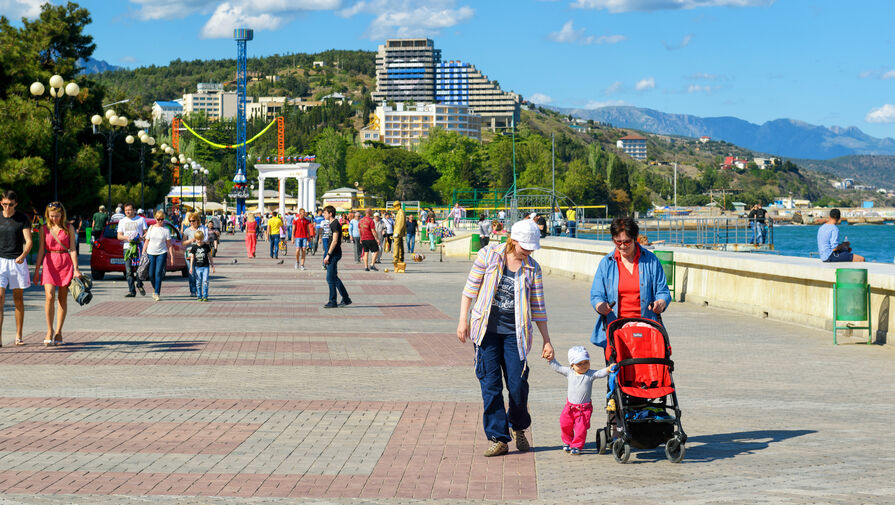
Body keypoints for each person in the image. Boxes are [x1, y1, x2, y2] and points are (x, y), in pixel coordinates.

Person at [457, 219, 554, 457]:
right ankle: (499, 438)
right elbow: (470, 290)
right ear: (513, 240)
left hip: (516, 335)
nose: (529, 251)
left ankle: (519, 426)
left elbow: (538, 306)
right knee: (490, 386)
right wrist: (463, 320)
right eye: (525, 247)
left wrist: (547, 340)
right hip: (486, 333)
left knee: (518, 385)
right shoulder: (488, 255)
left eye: (532, 248)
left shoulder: (533, 268)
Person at [590, 217, 671, 349]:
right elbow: (596, 294)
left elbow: (663, 292)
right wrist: (600, 305)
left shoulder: (651, 260)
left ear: (635, 238)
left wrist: (661, 302)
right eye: (618, 242)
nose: (622, 246)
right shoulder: (606, 263)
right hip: (616, 330)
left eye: (627, 242)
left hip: (646, 328)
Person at [33, 202, 82, 346]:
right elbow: (41, 250)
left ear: (62, 215)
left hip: (65, 262)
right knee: (49, 296)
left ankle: (59, 331)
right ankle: (49, 329)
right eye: (52, 216)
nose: (54, 218)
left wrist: (76, 269)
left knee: (62, 298)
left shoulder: (69, 228)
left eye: (57, 216)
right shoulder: (44, 228)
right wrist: (37, 270)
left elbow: (73, 249)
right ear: (48, 215)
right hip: (49, 262)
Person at [549, 346, 614, 455]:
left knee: (580, 429)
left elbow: (600, 373)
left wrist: (608, 369)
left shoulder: (590, 374)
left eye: (586, 362)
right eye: (579, 364)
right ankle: (567, 442)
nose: (583, 366)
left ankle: (577, 446)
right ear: (572, 365)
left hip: (583, 410)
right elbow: (558, 367)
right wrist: (551, 359)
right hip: (569, 407)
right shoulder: (569, 372)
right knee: (565, 424)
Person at [0, 190, 33, 347]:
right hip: (0, 262)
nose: (7, 208)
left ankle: (18, 335)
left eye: (10, 205)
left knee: (18, 299)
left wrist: (24, 254)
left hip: (17, 261)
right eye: (4, 204)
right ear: (1, 203)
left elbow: (29, 240)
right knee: (0, 298)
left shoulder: (22, 218)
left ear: (16, 204)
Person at [322, 205, 351, 308]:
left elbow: (334, 240)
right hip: (334, 253)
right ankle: (346, 298)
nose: (323, 214)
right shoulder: (333, 224)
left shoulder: (334, 224)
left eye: (325, 213)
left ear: (330, 213)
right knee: (334, 277)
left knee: (330, 278)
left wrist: (328, 255)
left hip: (334, 254)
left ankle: (332, 301)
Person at [116, 203, 147, 298]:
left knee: (139, 269)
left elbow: (146, 233)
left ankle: (139, 284)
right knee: (128, 271)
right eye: (126, 210)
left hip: (138, 248)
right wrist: (127, 238)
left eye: (129, 210)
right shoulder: (122, 221)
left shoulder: (141, 219)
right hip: (127, 248)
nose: (127, 212)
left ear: (134, 210)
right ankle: (131, 291)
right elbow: (119, 236)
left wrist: (141, 238)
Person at [143, 210, 174, 301]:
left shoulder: (166, 230)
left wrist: (171, 256)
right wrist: (143, 252)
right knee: (151, 274)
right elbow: (147, 241)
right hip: (150, 252)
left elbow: (169, 244)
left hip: (162, 253)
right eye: (158, 219)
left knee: (158, 273)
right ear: (155, 219)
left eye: (162, 219)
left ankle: (157, 292)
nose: (160, 221)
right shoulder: (151, 228)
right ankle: (155, 287)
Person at [181, 212, 207, 297]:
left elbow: (206, 240)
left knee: (198, 272)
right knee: (191, 272)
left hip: (199, 253)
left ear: (197, 220)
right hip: (189, 252)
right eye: (190, 221)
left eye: (193, 221)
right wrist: (191, 240)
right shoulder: (187, 230)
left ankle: (199, 290)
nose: (192, 222)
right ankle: (193, 290)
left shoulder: (200, 230)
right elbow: (183, 243)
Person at [188, 230, 214, 301]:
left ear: (203, 238)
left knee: (205, 281)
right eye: (197, 239)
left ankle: (205, 295)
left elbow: (209, 256)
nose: (199, 241)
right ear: (195, 239)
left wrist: (212, 264)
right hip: (197, 267)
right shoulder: (194, 247)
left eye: (200, 239)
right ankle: (199, 295)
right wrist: (191, 267)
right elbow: (192, 257)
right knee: (198, 282)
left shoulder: (206, 246)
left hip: (205, 266)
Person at [392, 203, 406, 268]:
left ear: (398, 206)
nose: (394, 208)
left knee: (396, 245)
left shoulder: (400, 213)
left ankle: (396, 258)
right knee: (400, 245)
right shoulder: (400, 212)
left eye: (395, 207)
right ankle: (400, 258)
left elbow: (401, 223)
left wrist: (397, 232)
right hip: (398, 231)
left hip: (398, 231)